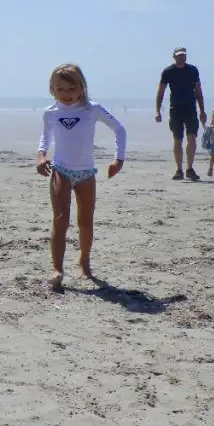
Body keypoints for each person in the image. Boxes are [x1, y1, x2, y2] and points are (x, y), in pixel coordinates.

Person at [35, 63, 126, 290]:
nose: (66, 95)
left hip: (86, 173)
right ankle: (57, 268)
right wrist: (40, 156)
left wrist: (118, 159)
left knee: (85, 222)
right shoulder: (50, 113)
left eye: (70, 89)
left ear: (81, 88)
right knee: (60, 218)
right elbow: (44, 140)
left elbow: (119, 129)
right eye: (60, 90)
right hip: (61, 170)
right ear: (52, 90)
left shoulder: (91, 109)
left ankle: (84, 263)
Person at [155, 47, 207, 180]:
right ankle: (179, 170)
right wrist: (157, 110)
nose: (181, 57)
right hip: (175, 108)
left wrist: (202, 111)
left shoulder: (192, 70)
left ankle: (189, 168)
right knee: (177, 138)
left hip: (190, 107)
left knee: (192, 137)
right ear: (174, 57)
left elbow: (198, 92)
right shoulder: (168, 71)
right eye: (179, 55)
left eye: (183, 55)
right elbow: (160, 92)